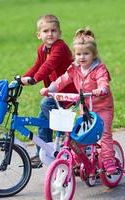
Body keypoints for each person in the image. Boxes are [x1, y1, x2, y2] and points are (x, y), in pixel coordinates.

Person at [39, 28, 117, 174]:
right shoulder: (74, 68)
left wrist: (102, 89)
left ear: (93, 55)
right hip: (86, 108)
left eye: (86, 54)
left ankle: (108, 160)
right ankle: (79, 161)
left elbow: (103, 81)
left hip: (103, 108)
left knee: (105, 134)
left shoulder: (99, 68)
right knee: (78, 136)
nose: (82, 57)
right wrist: (50, 89)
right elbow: (62, 80)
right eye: (79, 54)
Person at [20, 14, 76, 168]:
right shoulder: (42, 49)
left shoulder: (60, 47)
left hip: (68, 91)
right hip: (55, 92)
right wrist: (21, 80)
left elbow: (49, 65)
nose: (50, 34)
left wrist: (34, 79)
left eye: (53, 30)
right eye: (46, 31)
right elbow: (37, 66)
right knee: (42, 123)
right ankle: (42, 154)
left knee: (45, 105)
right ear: (39, 35)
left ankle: (63, 136)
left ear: (59, 33)